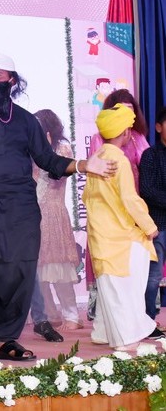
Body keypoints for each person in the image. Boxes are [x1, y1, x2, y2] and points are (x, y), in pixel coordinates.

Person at [0, 51, 116, 366]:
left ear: (12, 80)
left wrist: (85, 165)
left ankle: (3, 339)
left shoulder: (25, 121)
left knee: (15, 275)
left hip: (19, 212)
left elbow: (48, 160)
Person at [83, 104, 159, 350]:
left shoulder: (97, 159)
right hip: (119, 235)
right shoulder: (119, 160)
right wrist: (149, 227)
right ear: (126, 132)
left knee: (109, 286)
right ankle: (125, 339)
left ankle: (103, 331)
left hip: (100, 233)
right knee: (123, 289)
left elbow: (87, 197)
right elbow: (129, 198)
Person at [86, 89, 150, 319]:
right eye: (122, 109)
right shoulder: (102, 142)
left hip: (134, 199)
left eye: (131, 109)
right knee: (114, 261)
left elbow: (147, 165)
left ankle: (136, 312)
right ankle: (117, 315)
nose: (127, 114)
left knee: (131, 261)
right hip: (113, 205)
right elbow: (96, 173)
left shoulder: (138, 137)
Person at [31, 109, 82, 332]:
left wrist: (46, 148)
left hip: (53, 212)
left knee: (59, 268)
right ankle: (50, 314)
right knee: (38, 270)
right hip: (33, 213)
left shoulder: (61, 147)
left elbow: (57, 176)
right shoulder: (30, 148)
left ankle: (72, 315)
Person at [140, 106, 166, 324]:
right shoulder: (150, 155)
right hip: (158, 224)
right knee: (153, 276)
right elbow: (147, 190)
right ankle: (148, 320)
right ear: (158, 127)